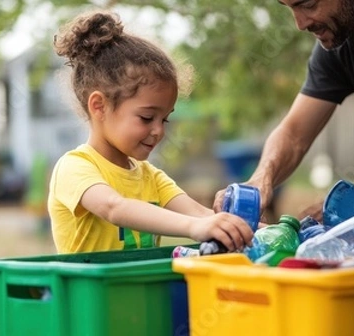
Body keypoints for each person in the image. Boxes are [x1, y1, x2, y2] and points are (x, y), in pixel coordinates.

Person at [48, 10, 253, 253]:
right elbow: (114, 208)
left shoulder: (150, 176)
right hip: (89, 292)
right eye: (147, 118)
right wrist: (194, 227)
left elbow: (201, 214)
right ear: (99, 106)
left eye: (165, 119)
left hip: (142, 292)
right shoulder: (75, 167)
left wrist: (256, 230)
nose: (158, 131)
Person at [214, 0, 354, 222]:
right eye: (290, 8)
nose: (300, 24)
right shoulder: (343, 37)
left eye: (308, 4)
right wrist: (260, 180)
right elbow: (294, 134)